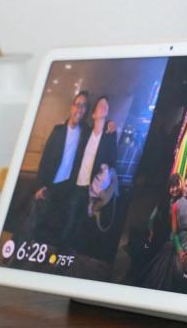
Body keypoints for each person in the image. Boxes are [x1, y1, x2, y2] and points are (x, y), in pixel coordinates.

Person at [141, 172, 187, 293]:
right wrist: (151, 232)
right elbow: (152, 218)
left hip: (186, 235)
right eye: (173, 186)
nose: (177, 189)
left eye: (179, 186)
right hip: (168, 234)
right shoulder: (167, 201)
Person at [32, 91, 89, 245]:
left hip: (67, 188)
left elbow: (99, 134)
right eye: (78, 105)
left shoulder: (84, 133)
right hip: (49, 185)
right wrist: (39, 185)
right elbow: (45, 159)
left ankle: (47, 260)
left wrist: (110, 129)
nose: (80, 109)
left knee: (56, 227)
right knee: (37, 225)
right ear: (72, 107)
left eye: (84, 106)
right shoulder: (58, 130)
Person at [64, 96, 118, 255]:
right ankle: (61, 253)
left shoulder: (109, 136)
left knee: (83, 225)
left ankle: (72, 257)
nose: (104, 106)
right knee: (69, 220)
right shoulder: (85, 132)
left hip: (92, 190)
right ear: (93, 114)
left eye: (106, 105)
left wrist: (113, 133)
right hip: (77, 185)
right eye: (100, 104)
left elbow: (113, 160)